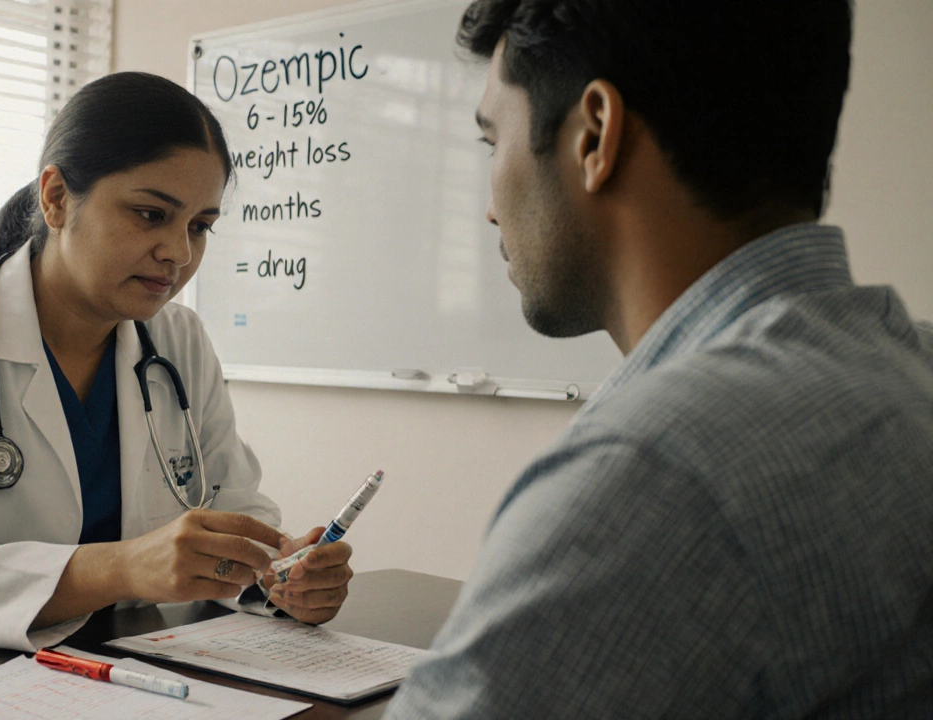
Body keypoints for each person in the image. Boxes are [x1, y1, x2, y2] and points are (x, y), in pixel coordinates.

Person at [388, 1, 933, 717]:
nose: (490, 208)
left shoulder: (656, 473)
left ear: (594, 135)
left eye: (494, 142)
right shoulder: (910, 363)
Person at [0, 72, 352, 653]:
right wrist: (122, 568)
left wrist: (285, 578)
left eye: (199, 227)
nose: (179, 253)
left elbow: (236, 514)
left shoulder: (178, 341)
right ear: (55, 198)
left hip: (94, 669)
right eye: (151, 214)